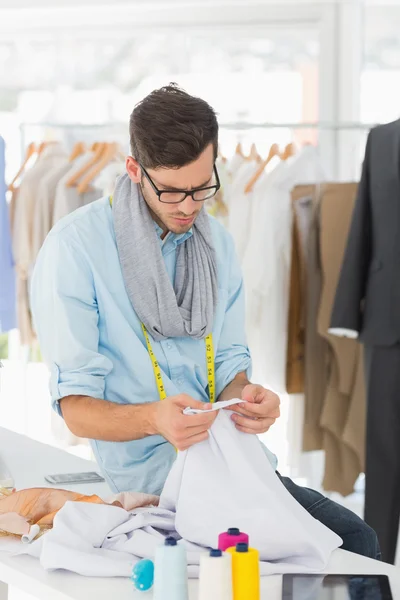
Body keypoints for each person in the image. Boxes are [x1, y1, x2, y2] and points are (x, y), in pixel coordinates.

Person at [31, 84, 380, 561]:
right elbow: (74, 408)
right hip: (154, 487)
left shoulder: (216, 242)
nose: (189, 206)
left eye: (202, 187)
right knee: (334, 550)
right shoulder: (75, 250)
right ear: (134, 170)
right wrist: (155, 418)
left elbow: (230, 369)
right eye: (172, 191)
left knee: (355, 541)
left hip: (233, 466)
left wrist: (248, 400)